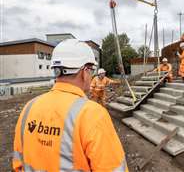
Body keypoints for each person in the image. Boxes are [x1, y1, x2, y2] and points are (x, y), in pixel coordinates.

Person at [13, 39, 128, 172]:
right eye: (91, 70)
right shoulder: (92, 114)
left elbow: (18, 163)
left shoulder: (28, 107)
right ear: (85, 72)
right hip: (96, 98)